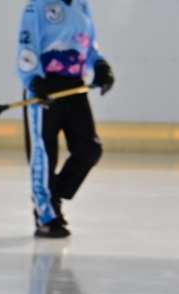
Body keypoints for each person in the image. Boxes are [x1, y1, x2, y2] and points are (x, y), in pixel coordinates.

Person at [16, 0, 116, 238]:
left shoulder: (82, 5)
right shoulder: (38, 6)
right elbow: (27, 45)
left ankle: (51, 197)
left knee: (89, 150)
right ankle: (47, 216)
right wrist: (34, 80)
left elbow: (89, 45)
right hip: (45, 90)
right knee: (44, 154)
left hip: (75, 89)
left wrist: (101, 66)